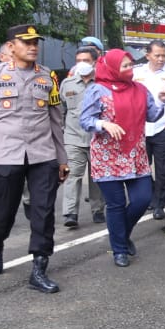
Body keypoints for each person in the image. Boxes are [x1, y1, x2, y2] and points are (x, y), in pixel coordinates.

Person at [0, 24, 69, 293]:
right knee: (3, 212)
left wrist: (62, 158)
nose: (33, 46)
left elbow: (56, 121)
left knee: (43, 212)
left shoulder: (48, 78)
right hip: (6, 155)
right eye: (26, 42)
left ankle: (39, 268)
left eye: (35, 42)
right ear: (11, 47)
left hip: (43, 154)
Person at [80, 48, 165, 267]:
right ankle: (119, 249)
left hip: (135, 155)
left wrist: (162, 101)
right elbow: (85, 119)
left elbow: (153, 115)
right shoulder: (97, 90)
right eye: (124, 66)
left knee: (142, 199)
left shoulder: (140, 89)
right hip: (107, 157)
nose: (129, 70)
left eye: (130, 65)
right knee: (116, 205)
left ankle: (122, 234)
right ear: (112, 68)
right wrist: (104, 124)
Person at [133, 40, 165, 220]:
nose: (161, 59)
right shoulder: (136, 72)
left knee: (163, 169)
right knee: (141, 167)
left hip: (164, 127)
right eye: (157, 55)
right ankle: (151, 195)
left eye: (164, 55)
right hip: (141, 128)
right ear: (148, 55)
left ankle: (160, 203)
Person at [60, 44, 105, 228]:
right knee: (72, 176)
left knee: (97, 177)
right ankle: (71, 212)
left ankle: (98, 210)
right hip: (73, 138)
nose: (81, 64)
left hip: (97, 138)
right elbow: (61, 110)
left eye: (86, 61)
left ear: (95, 62)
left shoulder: (103, 83)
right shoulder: (67, 84)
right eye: (78, 61)